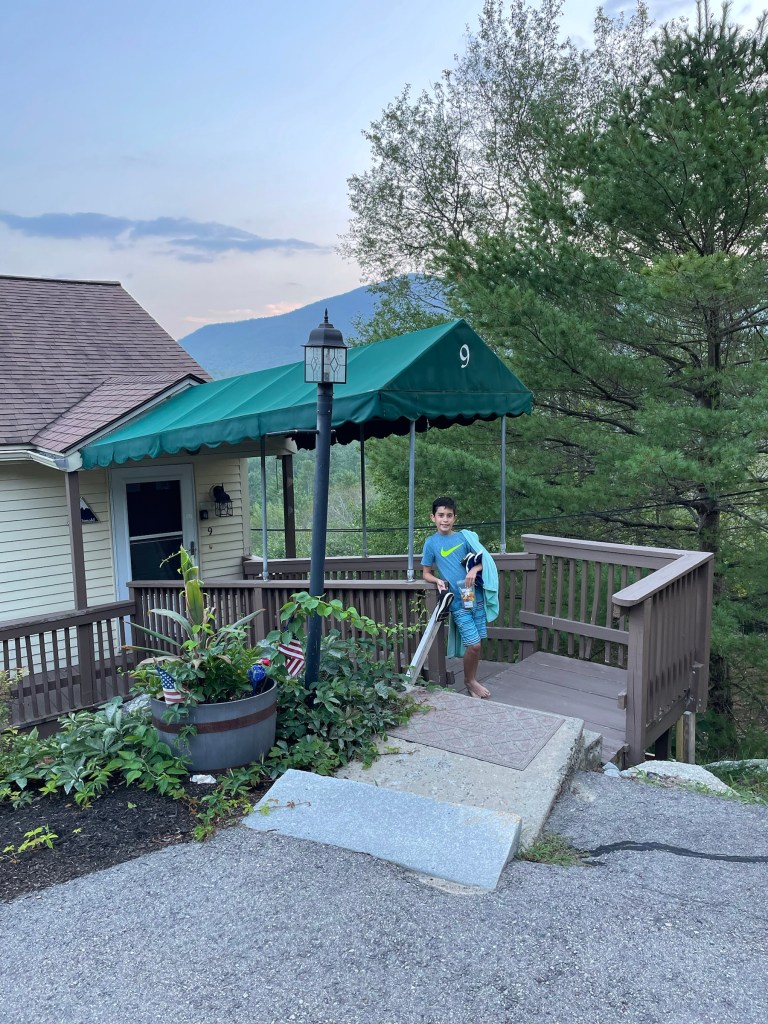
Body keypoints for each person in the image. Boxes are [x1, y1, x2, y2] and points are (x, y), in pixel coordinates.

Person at [421, 496, 499, 698]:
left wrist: (474, 569)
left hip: (474, 597)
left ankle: (472, 681)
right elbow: (426, 573)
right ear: (433, 517)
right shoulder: (431, 543)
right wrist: (437, 580)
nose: (445, 519)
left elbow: (485, 560)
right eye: (441, 515)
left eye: (449, 515)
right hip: (456, 602)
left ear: (455, 517)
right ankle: (469, 681)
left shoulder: (465, 538)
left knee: (478, 643)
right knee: (474, 644)